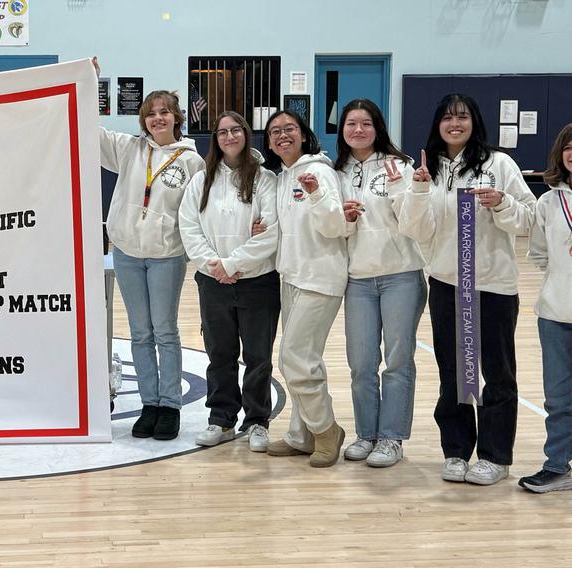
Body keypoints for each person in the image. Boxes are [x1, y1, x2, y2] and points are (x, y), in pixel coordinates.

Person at [401, 93, 536, 485]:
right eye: (447, 118)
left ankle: (495, 456)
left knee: (496, 373)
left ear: (474, 121)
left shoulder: (500, 164)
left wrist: (501, 203)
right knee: (456, 374)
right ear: (436, 125)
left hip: (493, 286)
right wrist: (419, 190)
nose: (454, 124)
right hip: (447, 284)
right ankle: (457, 450)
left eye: (461, 117)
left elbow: (528, 220)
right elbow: (416, 229)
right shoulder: (428, 167)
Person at [94, 58, 205, 440]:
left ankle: (170, 405)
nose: (158, 118)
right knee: (139, 332)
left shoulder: (191, 161)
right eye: (151, 114)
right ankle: (149, 403)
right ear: (143, 121)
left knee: (165, 331)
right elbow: (88, 132)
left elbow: (200, 211)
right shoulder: (128, 149)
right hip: (126, 252)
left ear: (177, 118)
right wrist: (87, 81)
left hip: (166, 257)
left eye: (164, 112)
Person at [333, 99, 427, 468]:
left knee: (398, 360)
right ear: (342, 130)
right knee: (361, 362)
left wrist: (410, 190)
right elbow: (331, 229)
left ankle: (392, 437)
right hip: (358, 280)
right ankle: (365, 433)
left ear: (378, 128)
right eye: (351, 123)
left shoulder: (399, 166)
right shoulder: (335, 172)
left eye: (366, 123)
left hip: (401, 275)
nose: (358, 130)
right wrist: (345, 219)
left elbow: (413, 223)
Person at [178, 111, 280, 452]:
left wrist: (234, 263)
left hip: (257, 281)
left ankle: (256, 422)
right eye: (222, 131)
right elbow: (189, 228)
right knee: (219, 354)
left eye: (236, 130)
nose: (229, 136)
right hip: (213, 282)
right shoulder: (201, 180)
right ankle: (221, 419)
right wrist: (216, 266)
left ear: (246, 134)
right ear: (215, 139)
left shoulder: (265, 179)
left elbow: (271, 233)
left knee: (257, 356)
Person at [260, 110, 348, 468]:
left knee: (296, 358)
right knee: (297, 358)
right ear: (268, 142)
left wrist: (314, 195)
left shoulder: (319, 172)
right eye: (275, 131)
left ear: (304, 134)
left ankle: (327, 430)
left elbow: (334, 226)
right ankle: (302, 434)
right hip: (292, 276)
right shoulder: (282, 178)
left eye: (290, 129)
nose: (283, 135)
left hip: (320, 277)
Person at [519, 124, 572, 493]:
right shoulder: (548, 202)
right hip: (556, 314)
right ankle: (557, 465)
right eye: (568, 147)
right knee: (558, 397)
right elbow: (538, 254)